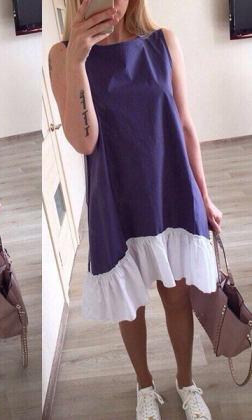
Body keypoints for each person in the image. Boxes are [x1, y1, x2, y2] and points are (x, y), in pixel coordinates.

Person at [49, 0, 222, 419]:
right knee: (130, 303)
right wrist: (77, 62)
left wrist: (203, 194)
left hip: (169, 187)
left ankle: (185, 382)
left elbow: (184, 124)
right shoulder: (63, 55)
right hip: (115, 196)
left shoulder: (163, 42)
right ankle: (144, 386)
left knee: (177, 296)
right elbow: (84, 141)